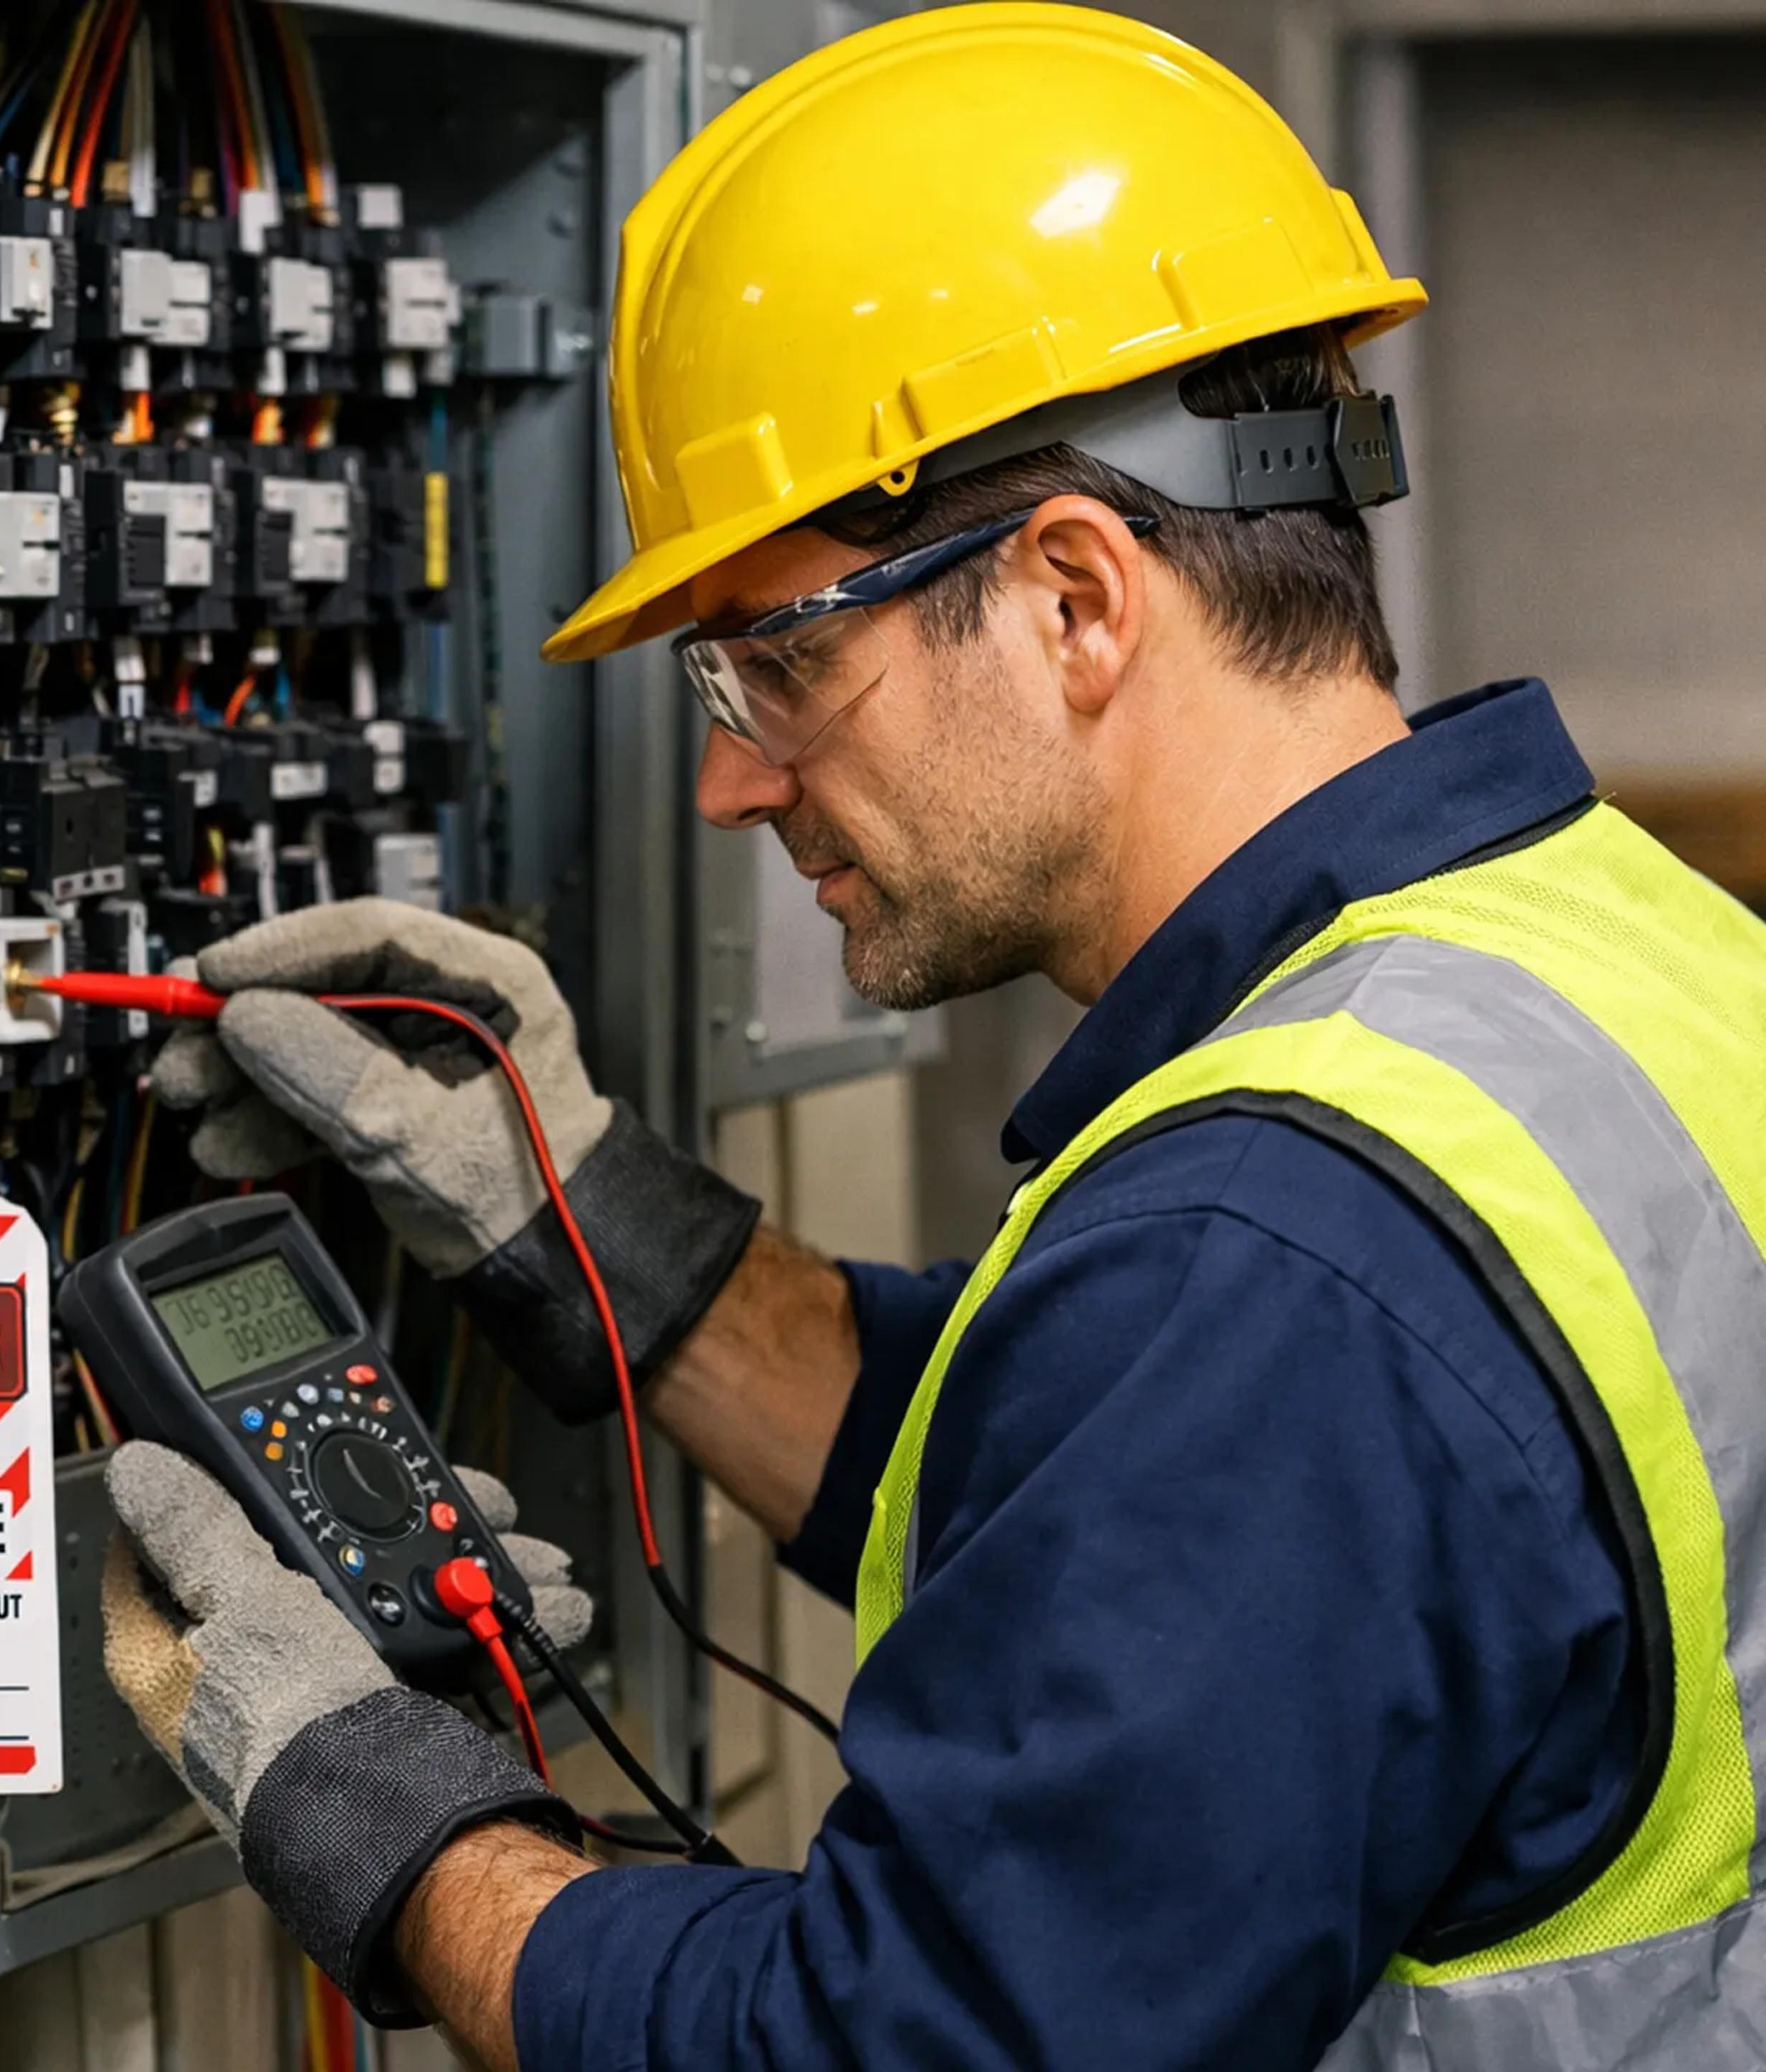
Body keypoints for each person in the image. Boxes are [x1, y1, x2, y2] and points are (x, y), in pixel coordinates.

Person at [97, 7, 1766, 2067]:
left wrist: (395, 1821)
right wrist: (588, 1222)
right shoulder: (1619, 952)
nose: (735, 787)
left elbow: (905, 2045)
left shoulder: (1273, 1254)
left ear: (1076, 595)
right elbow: (1158, 1540)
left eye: (779, 666)